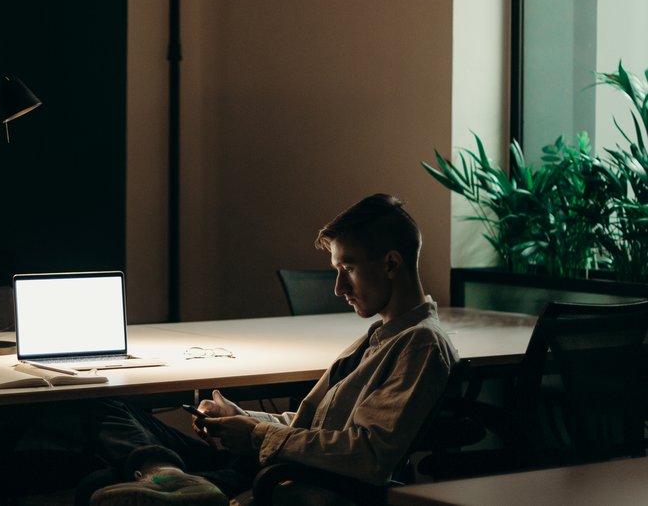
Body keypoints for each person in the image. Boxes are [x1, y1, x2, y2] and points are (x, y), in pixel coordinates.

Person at [78, 193, 459, 506]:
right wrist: (242, 418)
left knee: (99, 483)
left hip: (287, 475)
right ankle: (169, 475)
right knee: (105, 404)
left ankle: (167, 476)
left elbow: (367, 456)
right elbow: (311, 427)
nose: (338, 288)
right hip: (275, 459)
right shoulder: (380, 337)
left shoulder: (420, 344)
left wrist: (257, 436)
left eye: (349, 269)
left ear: (392, 263)